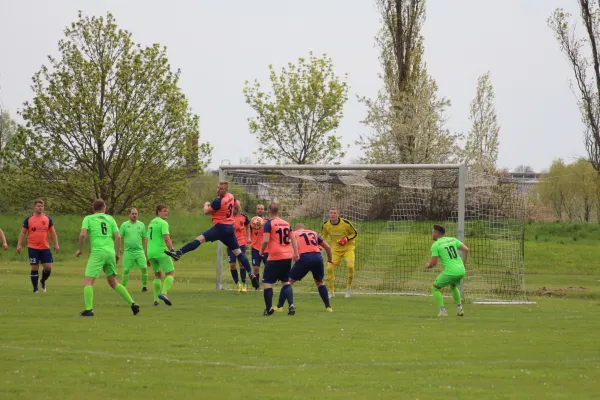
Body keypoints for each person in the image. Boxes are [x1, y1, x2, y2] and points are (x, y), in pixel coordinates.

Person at [164, 181, 259, 290]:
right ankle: (251, 273)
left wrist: (206, 204)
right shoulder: (231, 196)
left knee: (199, 239)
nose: (218, 190)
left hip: (220, 228)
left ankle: (179, 253)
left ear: (225, 190)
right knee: (238, 253)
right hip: (229, 229)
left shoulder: (219, 201)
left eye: (221, 189)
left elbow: (206, 212)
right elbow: (237, 205)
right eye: (218, 188)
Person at [76, 200, 139, 316]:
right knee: (113, 282)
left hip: (98, 252)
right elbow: (118, 237)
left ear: (93, 209)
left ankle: (89, 309)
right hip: (110, 252)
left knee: (88, 282)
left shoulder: (88, 218)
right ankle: (132, 303)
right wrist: (117, 253)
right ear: (104, 208)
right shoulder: (110, 218)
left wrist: (80, 249)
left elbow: (83, 234)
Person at [275, 223, 334, 312]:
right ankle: (328, 307)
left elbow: (291, 248)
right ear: (305, 228)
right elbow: (328, 248)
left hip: (304, 258)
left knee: (288, 281)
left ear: (296, 229)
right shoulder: (313, 233)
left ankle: (279, 306)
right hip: (318, 257)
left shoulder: (294, 234)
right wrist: (330, 259)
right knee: (320, 282)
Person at [260, 203, 298, 316]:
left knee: (267, 282)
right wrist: (296, 253)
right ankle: (291, 304)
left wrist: (261, 251)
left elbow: (266, 240)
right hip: (287, 256)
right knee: (286, 281)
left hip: (275, 256)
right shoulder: (286, 223)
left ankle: (269, 308)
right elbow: (293, 239)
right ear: (279, 212)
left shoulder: (269, 224)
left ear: (268, 212)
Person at [17, 199, 60, 293]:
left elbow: (53, 232)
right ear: (34, 207)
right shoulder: (29, 219)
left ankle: (42, 281)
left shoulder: (47, 219)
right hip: (33, 247)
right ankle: (35, 289)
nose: (40, 208)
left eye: (42, 206)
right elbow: (23, 232)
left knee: (48, 267)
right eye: (38, 206)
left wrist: (56, 244)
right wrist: (19, 245)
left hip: (45, 247)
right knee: (35, 268)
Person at [425, 224, 469, 317]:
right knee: (453, 286)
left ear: (436, 233)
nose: (432, 234)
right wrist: (464, 264)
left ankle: (443, 311)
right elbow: (466, 249)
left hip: (451, 271)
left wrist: (428, 266)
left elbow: (433, 263)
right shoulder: (453, 239)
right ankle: (460, 309)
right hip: (461, 270)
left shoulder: (435, 245)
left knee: (435, 288)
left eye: (432, 232)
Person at [321, 207, 358, 298]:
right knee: (329, 268)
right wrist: (319, 245)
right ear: (329, 214)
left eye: (334, 213)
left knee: (350, 266)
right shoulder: (326, 225)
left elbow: (355, 233)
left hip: (348, 248)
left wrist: (346, 239)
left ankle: (348, 288)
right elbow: (322, 236)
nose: (332, 215)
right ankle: (331, 292)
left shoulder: (346, 223)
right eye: (331, 213)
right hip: (335, 250)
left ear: (338, 214)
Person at [147, 205, 176, 306]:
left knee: (157, 275)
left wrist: (147, 255)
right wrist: (172, 250)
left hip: (151, 253)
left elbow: (148, 239)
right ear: (158, 212)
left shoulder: (151, 223)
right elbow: (166, 238)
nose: (166, 213)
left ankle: (155, 300)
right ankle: (163, 293)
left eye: (167, 211)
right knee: (171, 273)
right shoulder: (163, 223)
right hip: (161, 252)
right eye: (164, 211)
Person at [119, 208, 150, 292]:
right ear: (129, 214)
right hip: (128, 251)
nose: (134, 215)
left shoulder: (141, 225)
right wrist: (119, 248)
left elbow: (145, 238)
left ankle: (144, 286)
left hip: (139, 251)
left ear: (137, 215)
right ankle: (123, 287)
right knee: (126, 270)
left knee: (144, 268)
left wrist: (146, 250)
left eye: (136, 214)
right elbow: (119, 237)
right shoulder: (124, 225)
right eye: (133, 214)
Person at [229, 206, 251, 292]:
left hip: (241, 243)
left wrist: (247, 238)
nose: (233, 210)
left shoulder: (243, 217)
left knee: (242, 264)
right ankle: (238, 284)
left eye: (234, 208)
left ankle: (244, 284)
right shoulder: (228, 217)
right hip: (230, 243)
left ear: (238, 208)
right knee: (232, 265)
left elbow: (248, 226)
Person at [249, 204, 268, 290]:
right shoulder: (252, 221)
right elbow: (247, 231)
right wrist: (247, 240)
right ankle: (256, 286)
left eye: (262, 209)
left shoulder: (267, 222)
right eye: (258, 209)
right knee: (256, 268)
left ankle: (266, 283)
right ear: (256, 210)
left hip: (266, 249)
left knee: (268, 268)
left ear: (264, 211)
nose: (260, 210)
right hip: (255, 248)